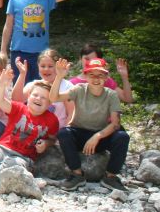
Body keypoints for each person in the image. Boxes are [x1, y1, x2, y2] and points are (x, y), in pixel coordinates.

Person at [50, 57, 130, 192]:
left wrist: (97, 136)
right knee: (64, 133)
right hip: (80, 133)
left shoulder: (111, 95)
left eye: (100, 75)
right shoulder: (79, 89)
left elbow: (115, 124)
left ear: (106, 77)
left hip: (101, 136)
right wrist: (59, 77)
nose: (96, 79)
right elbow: (54, 98)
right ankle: (77, 174)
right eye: (92, 74)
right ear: (86, 76)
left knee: (122, 136)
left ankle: (110, 176)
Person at [2, 0, 76, 83]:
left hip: (42, 55)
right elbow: (8, 25)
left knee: (41, 88)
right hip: (19, 52)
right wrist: (3, 50)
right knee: (20, 87)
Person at [11, 48, 75, 128]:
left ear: (58, 66)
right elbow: (16, 100)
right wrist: (22, 74)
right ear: (38, 66)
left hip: (58, 131)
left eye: (50, 66)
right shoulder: (34, 84)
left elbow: (71, 114)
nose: (46, 69)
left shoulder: (67, 87)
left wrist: (64, 132)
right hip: (32, 130)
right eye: (42, 66)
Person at [68, 44, 134, 104]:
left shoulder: (105, 81)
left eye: (94, 59)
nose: (90, 62)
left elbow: (128, 99)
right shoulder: (71, 83)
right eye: (86, 59)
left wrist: (124, 76)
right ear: (80, 58)